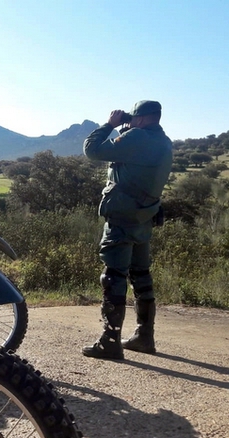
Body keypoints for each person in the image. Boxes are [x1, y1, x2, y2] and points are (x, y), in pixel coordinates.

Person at [82, 100, 173, 359]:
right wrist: (125, 128)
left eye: (133, 118)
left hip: (122, 217)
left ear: (143, 119)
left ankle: (110, 341)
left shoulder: (137, 137)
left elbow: (92, 150)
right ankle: (145, 336)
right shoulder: (164, 141)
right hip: (144, 217)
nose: (129, 121)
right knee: (141, 275)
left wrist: (110, 124)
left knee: (113, 276)